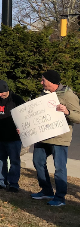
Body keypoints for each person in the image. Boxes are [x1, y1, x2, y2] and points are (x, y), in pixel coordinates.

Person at [31, 70, 80, 206]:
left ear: (51, 81)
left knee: (59, 168)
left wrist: (67, 112)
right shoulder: (43, 94)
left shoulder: (68, 95)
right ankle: (46, 190)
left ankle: (59, 198)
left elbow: (78, 116)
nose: (41, 83)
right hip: (42, 136)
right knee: (38, 162)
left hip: (59, 138)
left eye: (43, 80)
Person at [0, 80, 25, 192]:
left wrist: (21, 128)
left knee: (14, 161)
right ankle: (1, 181)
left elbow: (25, 114)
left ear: (7, 90)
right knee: (0, 160)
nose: (0, 95)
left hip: (13, 138)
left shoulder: (16, 99)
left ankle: (13, 184)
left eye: (2, 92)